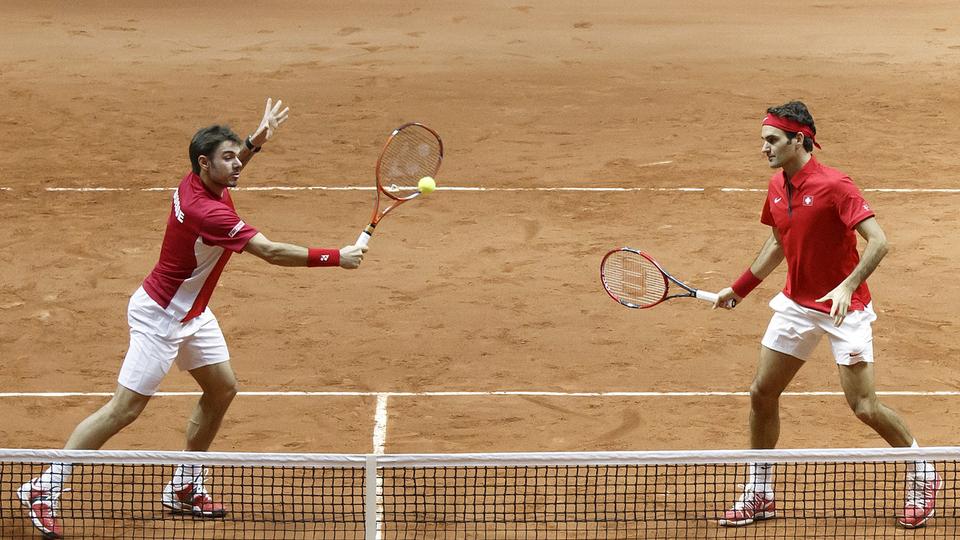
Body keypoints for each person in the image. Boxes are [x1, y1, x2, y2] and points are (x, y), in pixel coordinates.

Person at [17, 98, 367, 539]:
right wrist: (338, 257)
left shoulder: (197, 184)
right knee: (124, 409)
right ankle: (43, 488)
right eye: (228, 157)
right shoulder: (209, 213)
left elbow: (234, 165)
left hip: (192, 314)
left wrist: (256, 140)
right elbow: (271, 251)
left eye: (239, 155)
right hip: (160, 317)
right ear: (205, 163)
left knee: (222, 389)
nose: (238, 163)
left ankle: (183, 485)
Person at [714, 101, 939, 529]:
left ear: (799, 139)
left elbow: (879, 241)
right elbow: (779, 242)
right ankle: (760, 491)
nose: (764, 148)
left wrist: (848, 285)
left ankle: (924, 473)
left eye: (772, 140)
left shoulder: (837, 186)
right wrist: (740, 288)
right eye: (764, 140)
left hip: (843, 310)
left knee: (864, 406)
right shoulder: (777, 187)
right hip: (797, 305)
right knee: (762, 392)